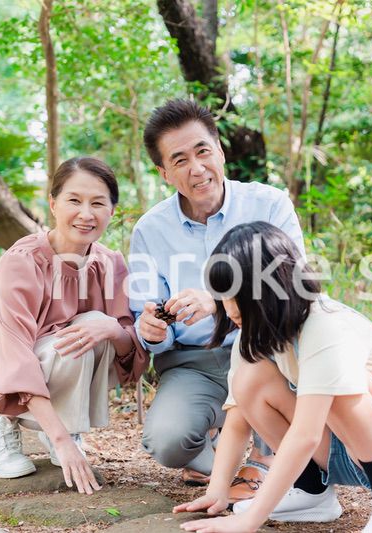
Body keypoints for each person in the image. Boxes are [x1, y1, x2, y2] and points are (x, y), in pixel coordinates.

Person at [175, 221, 372, 533]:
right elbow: (237, 419)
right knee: (248, 380)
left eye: (234, 295)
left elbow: (306, 434)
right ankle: (311, 490)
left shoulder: (323, 322)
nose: (227, 307)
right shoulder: (251, 332)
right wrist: (217, 492)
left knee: (337, 380)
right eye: (221, 295)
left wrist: (249, 520)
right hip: (340, 449)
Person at [0, 157, 148, 494]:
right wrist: (62, 441)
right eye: (74, 200)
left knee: (98, 326)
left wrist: (112, 329)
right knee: (71, 340)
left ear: (112, 210)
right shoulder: (23, 260)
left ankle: (59, 425)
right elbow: (15, 354)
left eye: (98, 203)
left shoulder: (110, 263)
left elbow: (129, 351)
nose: (86, 213)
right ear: (53, 204)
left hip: (49, 362)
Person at [129, 99, 305, 501]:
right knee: (167, 441)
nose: (197, 168)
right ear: (164, 173)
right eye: (180, 160)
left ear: (220, 151)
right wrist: (151, 329)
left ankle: (264, 456)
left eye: (203, 151)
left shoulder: (269, 204)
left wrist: (219, 298)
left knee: (274, 364)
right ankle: (217, 436)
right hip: (196, 361)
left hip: (266, 349)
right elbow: (148, 317)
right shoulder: (150, 230)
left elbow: (294, 287)